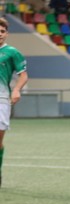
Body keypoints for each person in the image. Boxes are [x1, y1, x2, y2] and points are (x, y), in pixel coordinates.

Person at [0, 18, 29, 188]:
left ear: (6, 33)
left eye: (2, 31)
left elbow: (23, 75)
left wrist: (17, 89)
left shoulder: (12, 52)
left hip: (2, 99)